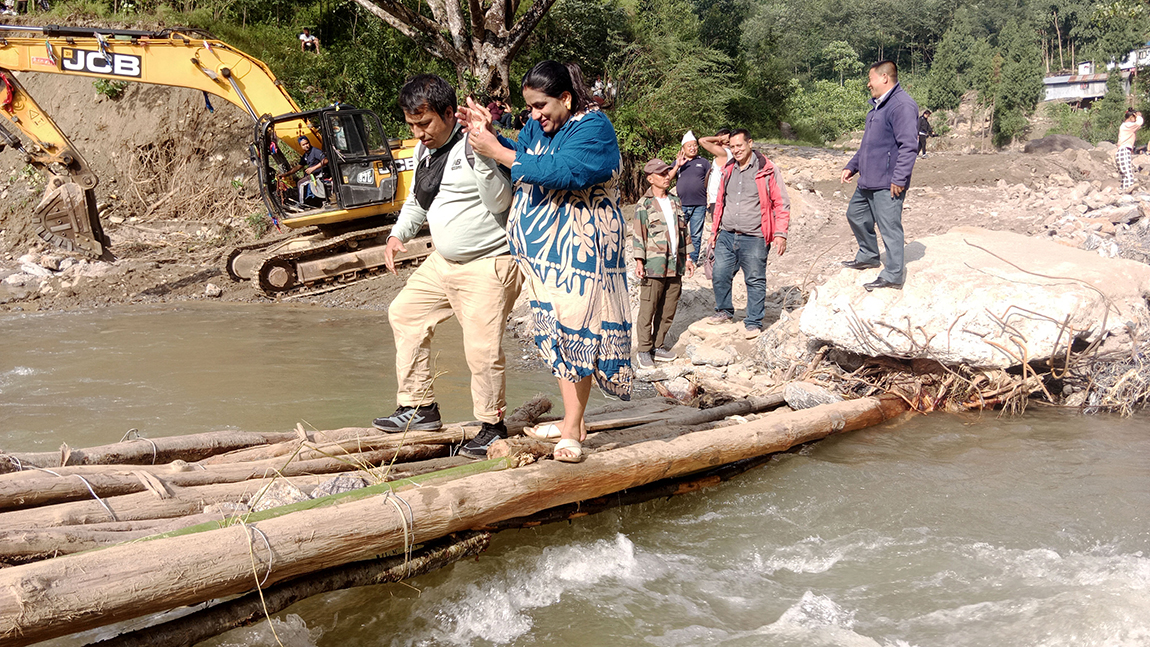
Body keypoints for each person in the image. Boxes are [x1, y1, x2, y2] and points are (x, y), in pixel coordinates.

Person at [462, 60, 632, 463]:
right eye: (530, 108)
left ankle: (572, 429)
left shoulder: (594, 128)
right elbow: (524, 154)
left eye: (541, 106)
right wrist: (490, 135)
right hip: (543, 258)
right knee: (557, 335)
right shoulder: (540, 127)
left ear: (566, 98)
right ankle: (575, 418)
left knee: (579, 335)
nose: (535, 115)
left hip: (582, 255)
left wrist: (497, 150)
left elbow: (564, 171)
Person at [371, 74, 522, 460]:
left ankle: (491, 426)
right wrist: (396, 235)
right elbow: (419, 200)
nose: (419, 133)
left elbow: (500, 201)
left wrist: (485, 155)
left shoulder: (474, 147)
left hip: (487, 264)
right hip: (442, 263)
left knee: (482, 351)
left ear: (450, 114)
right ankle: (419, 408)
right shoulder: (428, 152)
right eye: (412, 125)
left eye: (425, 124)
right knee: (404, 313)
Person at [840, 60, 919, 292]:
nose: (868, 84)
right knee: (855, 214)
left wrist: (899, 178)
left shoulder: (901, 105)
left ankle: (893, 274)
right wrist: (852, 165)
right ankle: (868, 255)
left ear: (885, 78)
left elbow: (908, 146)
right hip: (868, 180)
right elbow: (868, 145)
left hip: (888, 182)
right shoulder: (876, 107)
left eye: (871, 79)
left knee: (889, 227)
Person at [706, 128, 790, 339]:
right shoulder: (727, 169)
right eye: (732, 147)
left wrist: (780, 233)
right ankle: (724, 310)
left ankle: (753, 321)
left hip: (755, 236)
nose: (736, 150)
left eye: (739, 146)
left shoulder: (767, 169)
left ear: (750, 143)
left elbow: (781, 203)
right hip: (726, 233)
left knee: (754, 279)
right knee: (720, 273)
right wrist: (714, 231)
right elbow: (720, 203)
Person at [634, 159, 694, 369]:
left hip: (674, 264)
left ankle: (658, 346)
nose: (667, 176)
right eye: (661, 174)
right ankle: (643, 350)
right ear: (650, 178)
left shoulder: (675, 201)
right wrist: (639, 261)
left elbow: (684, 232)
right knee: (648, 308)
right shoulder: (644, 204)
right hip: (654, 264)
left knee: (668, 307)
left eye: (668, 172)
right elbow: (639, 235)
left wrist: (688, 258)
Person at [670, 131, 710, 264]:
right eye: (689, 146)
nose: (693, 148)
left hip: (700, 204)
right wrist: (677, 165)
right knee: (678, 232)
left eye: (695, 145)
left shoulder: (703, 162)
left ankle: (691, 261)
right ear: (683, 149)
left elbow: (710, 181)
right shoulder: (678, 162)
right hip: (681, 204)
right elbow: (668, 178)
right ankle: (677, 259)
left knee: (695, 235)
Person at [277, 136, 328, 206]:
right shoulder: (306, 155)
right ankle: (309, 199)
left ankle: (302, 204)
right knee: (302, 180)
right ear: (300, 146)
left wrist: (313, 168)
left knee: (300, 183)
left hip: (320, 173)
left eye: (307, 143)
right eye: (303, 145)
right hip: (313, 175)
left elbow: (325, 160)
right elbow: (298, 167)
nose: (306, 146)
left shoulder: (315, 151)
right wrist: (285, 174)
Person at [700, 128, 732, 232]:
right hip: (719, 198)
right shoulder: (729, 154)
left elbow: (702, 141)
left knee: (719, 232)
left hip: (719, 199)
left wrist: (719, 138)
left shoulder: (724, 152)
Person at [1117, 108, 1143, 191]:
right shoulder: (1127, 125)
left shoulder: (1125, 126)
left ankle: (1123, 191)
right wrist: (1138, 116)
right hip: (1123, 150)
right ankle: (1127, 192)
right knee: (1128, 175)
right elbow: (1139, 123)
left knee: (1125, 175)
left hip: (1124, 151)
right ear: (1131, 117)